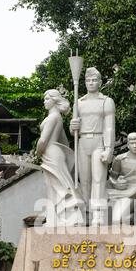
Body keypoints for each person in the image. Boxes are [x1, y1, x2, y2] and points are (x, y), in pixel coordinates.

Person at [70, 67, 115, 225]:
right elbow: (73, 129)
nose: (91, 83)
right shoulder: (79, 102)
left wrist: (109, 148)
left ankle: (98, 214)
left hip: (99, 141)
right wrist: (72, 125)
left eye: (94, 80)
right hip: (83, 142)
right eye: (88, 80)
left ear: (100, 82)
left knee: (98, 179)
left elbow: (109, 126)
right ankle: (86, 213)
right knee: (85, 180)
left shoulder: (106, 101)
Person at [36, 89, 84, 226]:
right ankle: (53, 219)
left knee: (61, 186)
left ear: (54, 100)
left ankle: (74, 217)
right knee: (53, 186)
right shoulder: (58, 118)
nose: (44, 101)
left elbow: (43, 140)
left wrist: (38, 153)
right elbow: (64, 141)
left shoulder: (53, 117)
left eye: (47, 99)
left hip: (50, 153)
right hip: (54, 153)